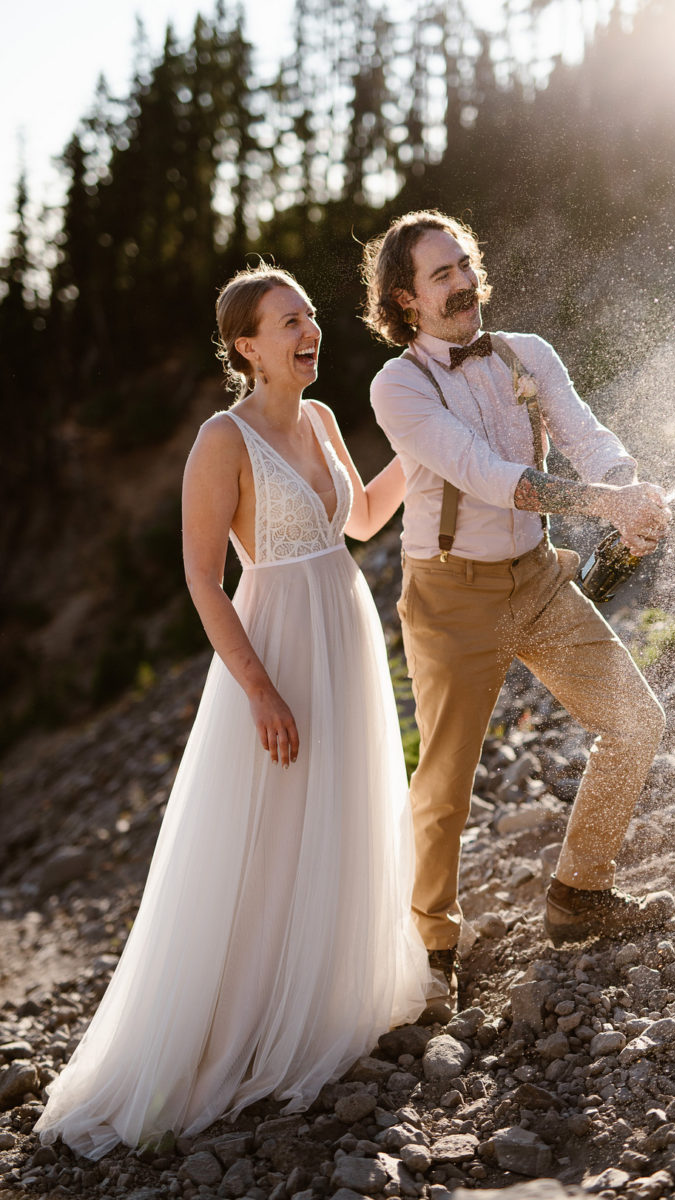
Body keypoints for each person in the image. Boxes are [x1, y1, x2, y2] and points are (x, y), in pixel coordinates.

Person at [34, 263, 431, 1160]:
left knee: (337, 812)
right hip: (276, 646)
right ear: (246, 346)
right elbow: (200, 578)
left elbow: (362, 519)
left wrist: (426, 444)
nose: (308, 331)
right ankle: (240, 1030)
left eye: (311, 317)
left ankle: (325, 999)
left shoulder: (326, 420)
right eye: (287, 322)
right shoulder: (223, 438)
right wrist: (258, 688)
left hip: (345, 633)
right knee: (265, 832)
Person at [361, 210, 675, 1013]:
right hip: (449, 600)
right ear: (405, 300)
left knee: (636, 720)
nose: (462, 282)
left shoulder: (527, 353)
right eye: (441, 274)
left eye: (464, 263)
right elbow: (484, 472)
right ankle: (434, 948)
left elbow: (584, 432)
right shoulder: (396, 386)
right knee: (446, 786)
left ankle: (576, 894)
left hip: (536, 579)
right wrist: (604, 504)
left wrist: (628, 486)